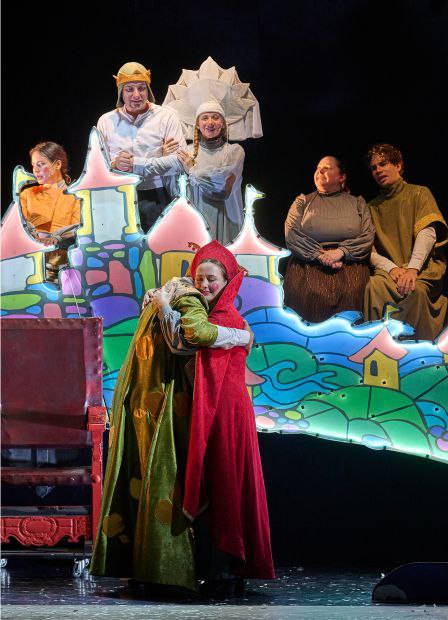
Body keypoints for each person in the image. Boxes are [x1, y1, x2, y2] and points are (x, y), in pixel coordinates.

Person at [90, 240, 274, 596]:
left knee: (224, 483)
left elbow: (191, 338)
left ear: (228, 281)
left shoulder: (219, 314)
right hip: (203, 408)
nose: (204, 285)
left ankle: (225, 570)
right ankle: (212, 569)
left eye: (212, 279)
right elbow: (186, 340)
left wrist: (239, 334)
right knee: (210, 483)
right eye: (199, 277)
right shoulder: (192, 304)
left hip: (225, 411)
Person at [364, 143, 448, 340]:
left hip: (422, 268)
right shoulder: (370, 207)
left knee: (415, 291)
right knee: (372, 287)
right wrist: (391, 268)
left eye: (383, 164)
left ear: (398, 165)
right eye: (374, 168)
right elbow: (368, 249)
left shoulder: (419, 193)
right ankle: (377, 346)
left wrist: (412, 269)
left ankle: (415, 352)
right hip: (389, 272)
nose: (378, 170)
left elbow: (427, 233)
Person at [97, 61, 187, 233]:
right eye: (129, 89)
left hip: (157, 194)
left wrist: (137, 164)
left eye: (141, 88)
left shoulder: (166, 117)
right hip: (118, 197)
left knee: (158, 246)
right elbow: (97, 167)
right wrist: (114, 165)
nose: (136, 94)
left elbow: (180, 162)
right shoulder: (106, 121)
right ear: (121, 92)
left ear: (148, 90)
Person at [283, 155, 375, 323]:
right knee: (305, 292)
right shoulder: (302, 202)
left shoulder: (358, 203)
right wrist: (320, 255)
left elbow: (367, 235)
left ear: (342, 177)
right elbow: (291, 234)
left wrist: (341, 252)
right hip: (308, 264)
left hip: (348, 265)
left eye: (327, 167)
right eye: (318, 168)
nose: (320, 171)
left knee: (352, 294)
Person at [174, 100, 245, 245]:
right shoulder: (187, 152)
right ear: (197, 124)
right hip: (196, 221)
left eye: (215, 117)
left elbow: (222, 187)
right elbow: (174, 190)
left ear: (223, 123)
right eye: (205, 118)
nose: (210, 122)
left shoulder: (234, 152)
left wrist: (192, 168)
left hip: (226, 220)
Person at [19, 141, 80, 283]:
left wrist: (57, 238)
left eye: (40, 164)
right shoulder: (27, 194)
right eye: (33, 165)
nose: (35, 170)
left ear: (57, 164)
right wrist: (35, 237)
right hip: (30, 259)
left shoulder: (76, 195)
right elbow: (18, 223)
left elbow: (79, 227)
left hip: (63, 262)